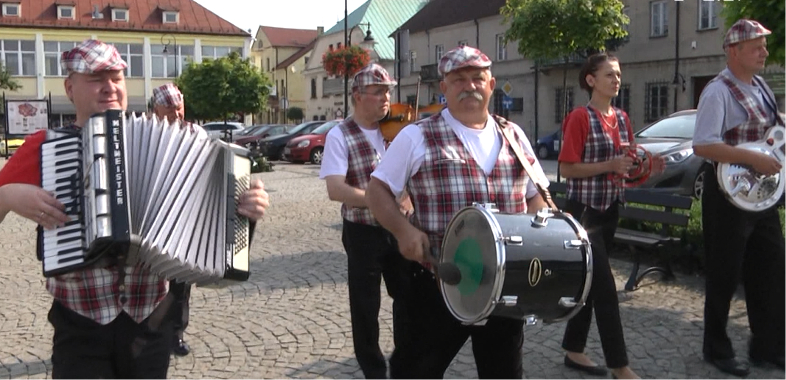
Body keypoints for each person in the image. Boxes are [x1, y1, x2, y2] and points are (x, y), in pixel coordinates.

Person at [0, 39, 271, 378]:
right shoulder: (45, 147)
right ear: (70, 88)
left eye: (116, 78)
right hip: (80, 322)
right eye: (96, 79)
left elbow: (211, 219)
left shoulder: (174, 145)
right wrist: (7, 196)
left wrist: (247, 206)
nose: (109, 88)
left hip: (151, 320)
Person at [365, 45, 547, 379]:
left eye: (478, 78)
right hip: (437, 280)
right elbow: (377, 191)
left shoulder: (514, 135)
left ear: (491, 84)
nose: (470, 85)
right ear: (444, 87)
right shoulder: (417, 135)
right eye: (459, 79)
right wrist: (403, 232)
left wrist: (543, 226)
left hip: (503, 286)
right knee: (414, 372)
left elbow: (536, 197)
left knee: (503, 373)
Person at [557, 52, 663, 380]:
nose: (616, 79)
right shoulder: (580, 117)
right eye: (609, 75)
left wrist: (646, 167)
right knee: (605, 288)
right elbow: (566, 168)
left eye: (618, 74)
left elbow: (626, 167)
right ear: (591, 80)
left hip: (609, 210)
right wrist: (610, 165)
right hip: (584, 213)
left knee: (588, 284)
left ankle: (574, 350)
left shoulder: (621, 117)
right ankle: (620, 366)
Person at [693, 19, 785, 377]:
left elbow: (769, 135)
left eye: (764, 45)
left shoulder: (761, 86)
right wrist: (752, 158)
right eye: (756, 46)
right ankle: (716, 348)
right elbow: (703, 144)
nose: (764, 51)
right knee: (724, 275)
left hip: (760, 195)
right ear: (734, 51)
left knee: (771, 270)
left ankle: (767, 347)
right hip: (727, 195)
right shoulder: (717, 92)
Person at [319, 63, 411, 379]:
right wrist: (379, 200)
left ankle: (406, 359)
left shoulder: (398, 129)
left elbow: (411, 176)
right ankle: (373, 369)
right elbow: (336, 189)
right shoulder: (339, 135)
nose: (387, 98)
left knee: (409, 296)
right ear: (358, 96)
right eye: (379, 92)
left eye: (389, 91)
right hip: (362, 231)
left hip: (399, 228)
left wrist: (408, 195)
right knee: (365, 305)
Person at [151, 82, 192, 357]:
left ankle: (176, 333)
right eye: (169, 108)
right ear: (156, 109)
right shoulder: (146, 136)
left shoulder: (195, 135)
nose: (176, 114)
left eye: (179, 107)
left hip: (185, 220)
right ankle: (149, 331)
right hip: (154, 223)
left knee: (181, 284)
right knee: (152, 279)